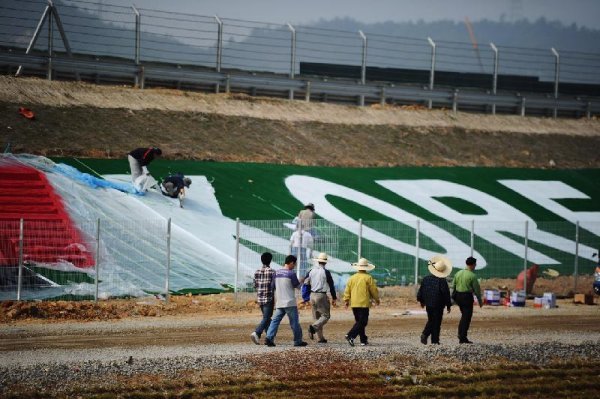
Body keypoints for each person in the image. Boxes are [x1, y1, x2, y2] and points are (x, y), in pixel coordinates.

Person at [264, 255, 307, 347]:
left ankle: (269, 338)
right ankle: (298, 341)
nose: (294, 266)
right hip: (290, 302)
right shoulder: (291, 274)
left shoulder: (276, 273)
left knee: (275, 321)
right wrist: (302, 281)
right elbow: (298, 287)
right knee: (294, 323)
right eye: (294, 264)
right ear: (291, 262)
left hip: (279, 302)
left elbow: (272, 287)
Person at [343, 258, 380, 346]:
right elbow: (373, 290)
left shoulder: (352, 278)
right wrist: (377, 299)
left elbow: (347, 290)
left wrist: (346, 300)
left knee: (359, 322)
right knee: (363, 322)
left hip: (354, 303)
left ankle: (363, 340)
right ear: (366, 268)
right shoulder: (368, 278)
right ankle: (350, 335)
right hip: (364, 303)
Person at [417, 255, 453, 345]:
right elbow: (446, 293)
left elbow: (421, 291)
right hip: (438, 304)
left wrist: (421, 301)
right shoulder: (442, 280)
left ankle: (433, 340)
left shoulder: (426, 279)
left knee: (431, 320)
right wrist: (448, 305)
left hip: (428, 304)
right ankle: (430, 338)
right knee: (436, 322)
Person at [304, 252, 337, 344]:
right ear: (325, 262)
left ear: (318, 261)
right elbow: (331, 285)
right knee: (326, 316)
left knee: (317, 317)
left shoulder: (311, 271)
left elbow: (306, 283)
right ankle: (313, 327)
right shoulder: (326, 272)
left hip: (312, 295)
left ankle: (320, 338)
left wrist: (306, 297)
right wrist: (334, 297)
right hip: (321, 295)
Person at [452, 256, 482, 344]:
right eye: (475, 264)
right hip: (467, 297)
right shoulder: (472, 276)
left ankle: (460, 333)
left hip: (458, 296)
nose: (475, 266)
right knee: (467, 317)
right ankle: (462, 337)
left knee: (464, 315)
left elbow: (453, 285)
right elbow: (477, 289)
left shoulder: (458, 273)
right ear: (473, 265)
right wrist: (480, 301)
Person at [250, 252, 275, 345]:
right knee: (267, 317)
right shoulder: (272, 272)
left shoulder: (257, 272)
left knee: (267, 318)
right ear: (270, 260)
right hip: (269, 298)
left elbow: (254, 285)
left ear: (261, 260)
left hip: (260, 298)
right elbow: (274, 285)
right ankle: (257, 333)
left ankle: (269, 338)